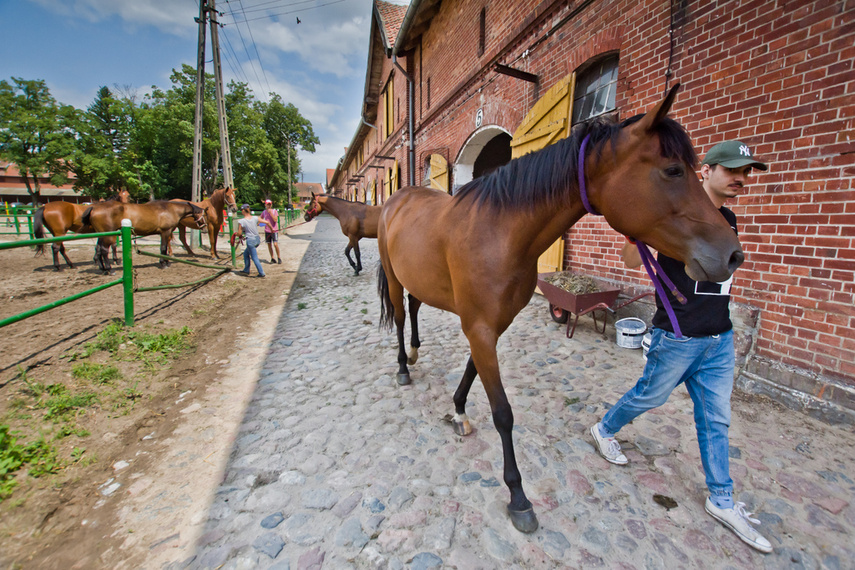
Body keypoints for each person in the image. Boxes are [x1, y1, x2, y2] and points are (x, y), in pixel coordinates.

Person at [590, 141, 773, 553]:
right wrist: (637, 229)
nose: (742, 179)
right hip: (677, 338)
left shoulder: (728, 219)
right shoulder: (672, 212)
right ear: (705, 170)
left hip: (718, 339)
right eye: (733, 170)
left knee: (717, 420)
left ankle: (722, 500)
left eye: (747, 172)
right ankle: (603, 429)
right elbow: (630, 261)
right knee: (648, 397)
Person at [234, 204, 267, 277]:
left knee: (254, 257)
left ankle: (261, 273)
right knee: (246, 254)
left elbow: (239, 233)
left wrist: (235, 234)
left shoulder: (242, 221)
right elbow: (265, 222)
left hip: (250, 241)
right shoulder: (255, 218)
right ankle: (246, 270)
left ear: (243, 211)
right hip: (257, 239)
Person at [260, 199, 282, 264]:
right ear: (265, 205)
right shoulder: (264, 212)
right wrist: (262, 223)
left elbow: (275, 220)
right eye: (268, 204)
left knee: (275, 244)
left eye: (270, 204)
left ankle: (279, 257)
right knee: (269, 244)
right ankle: (272, 258)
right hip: (267, 230)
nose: (269, 206)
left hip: (274, 230)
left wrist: (270, 213)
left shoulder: (274, 211)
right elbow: (260, 219)